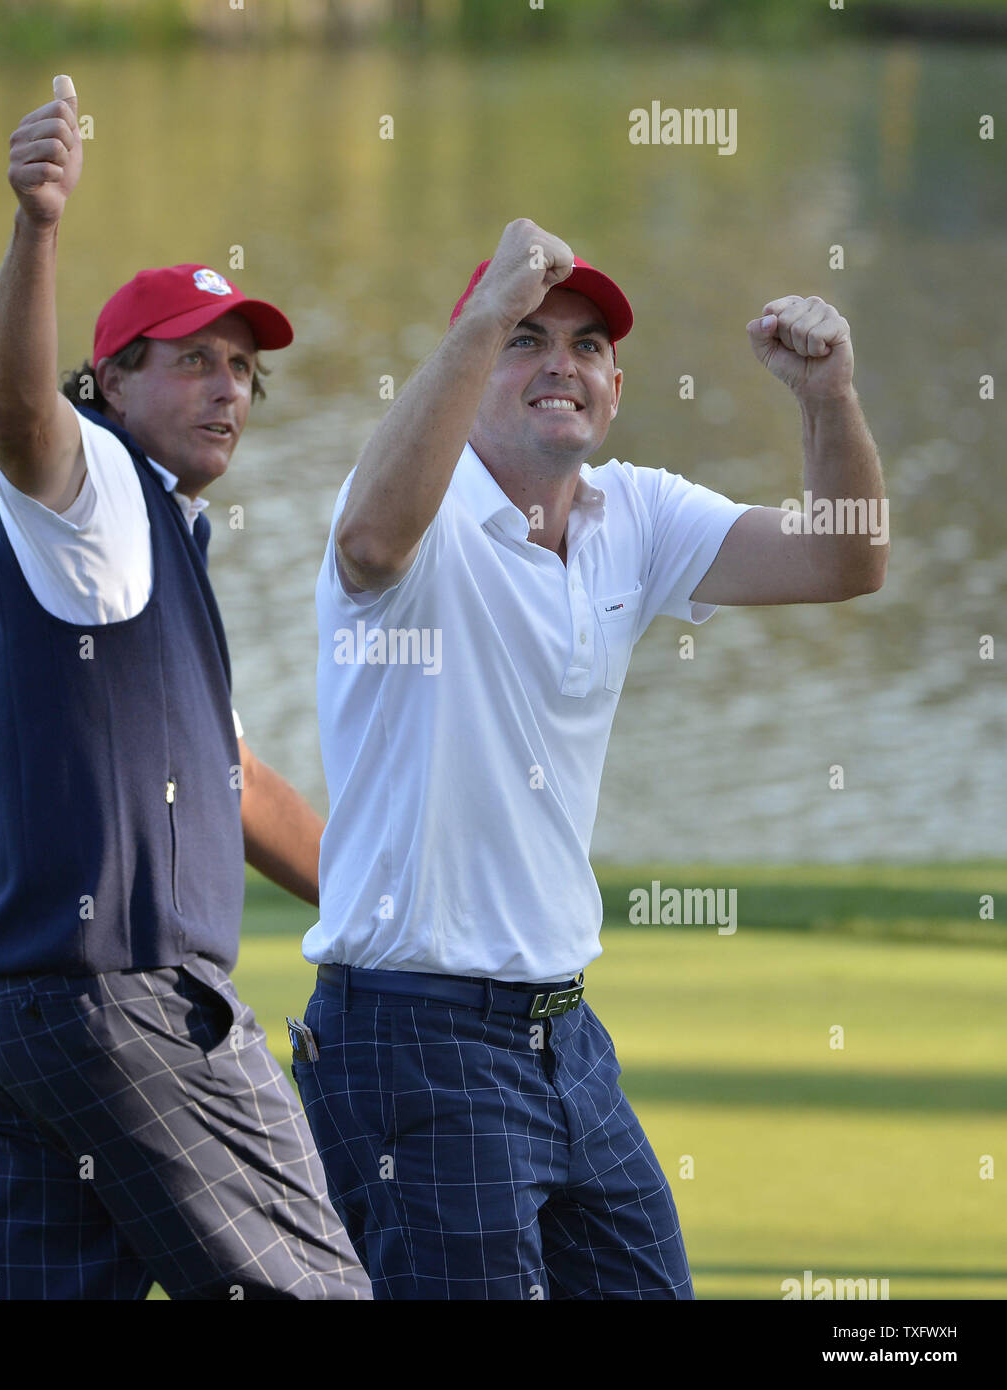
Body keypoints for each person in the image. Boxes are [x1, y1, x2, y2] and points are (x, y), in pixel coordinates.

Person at [292, 217, 887, 1300]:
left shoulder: (637, 514)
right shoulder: (408, 512)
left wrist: (826, 399)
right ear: (466, 363)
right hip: (410, 1037)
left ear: (614, 388)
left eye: (586, 345)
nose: (558, 362)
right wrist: (482, 313)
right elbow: (372, 547)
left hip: (563, 1036)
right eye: (525, 337)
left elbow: (845, 557)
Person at [0, 75, 369, 1301]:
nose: (229, 389)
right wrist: (39, 223)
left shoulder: (161, 551)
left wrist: (398, 908)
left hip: (6, 1017)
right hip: (124, 1008)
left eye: (245, 369)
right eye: (195, 361)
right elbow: (15, 415)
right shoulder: (94, 487)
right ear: (108, 383)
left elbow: (241, 784)